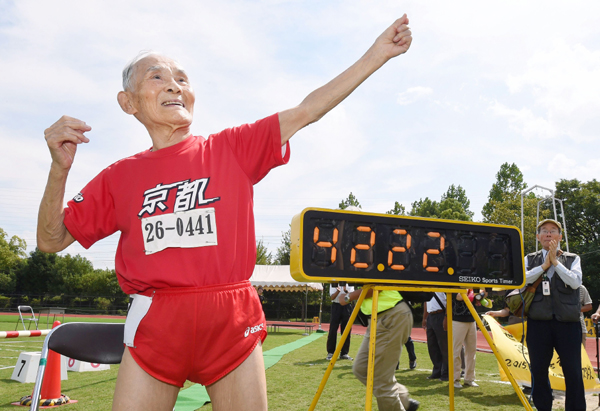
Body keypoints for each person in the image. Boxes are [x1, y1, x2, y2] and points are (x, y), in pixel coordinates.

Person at [36, 16, 412, 411]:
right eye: (157, 77)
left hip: (231, 319)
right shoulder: (118, 177)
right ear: (128, 102)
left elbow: (307, 110)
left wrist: (378, 54)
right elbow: (51, 239)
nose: (174, 85)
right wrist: (59, 169)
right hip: (156, 323)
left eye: (182, 78)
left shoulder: (230, 149)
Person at [525, 219, 585, 411]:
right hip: (538, 322)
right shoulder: (529, 259)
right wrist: (543, 266)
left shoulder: (573, 258)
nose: (548, 234)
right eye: (544, 231)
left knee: (574, 372)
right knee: (538, 371)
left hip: (567, 323)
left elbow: (575, 282)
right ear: (538, 237)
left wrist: (555, 263)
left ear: (560, 237)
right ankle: (543, 408)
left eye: (553, 231)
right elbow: (522, 280)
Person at [340, 288, 420, 411]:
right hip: (378, 318)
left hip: (390, 315)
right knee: (361, 369)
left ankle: (399, 401)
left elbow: (375, 286)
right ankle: (402, 398)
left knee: (381, 379)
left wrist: (348, 296)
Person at [451, 290, 485, 389]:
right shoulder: (453, 284)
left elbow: (483, 294)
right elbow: (459, 296)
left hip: (471, 319)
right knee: (456, 350)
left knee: (471, 350)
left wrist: (480, 293)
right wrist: (471, 290)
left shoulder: (472, 286)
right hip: (457, 320)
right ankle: (455, 379)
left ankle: (469, 378)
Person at [422, 292, 449, 381]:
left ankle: (446, 373)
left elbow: (449, 301)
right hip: (431, 316)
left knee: (444, 346)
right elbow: (426, 303)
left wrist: (446, 317)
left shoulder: (442, 285)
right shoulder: (428, 288)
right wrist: (425, 318)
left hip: (441, 314)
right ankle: (437, 371)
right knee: (432, 346)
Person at [326, 282, 354, 361]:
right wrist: (338, 291)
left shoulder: (349, 283)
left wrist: (345, 291)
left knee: (346, 330)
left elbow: (351, 296)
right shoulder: (334, 283)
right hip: (336, 306)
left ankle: (344, 353)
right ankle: (331, 353)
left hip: (346, 306)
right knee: (333, 329)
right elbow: (332, 297)